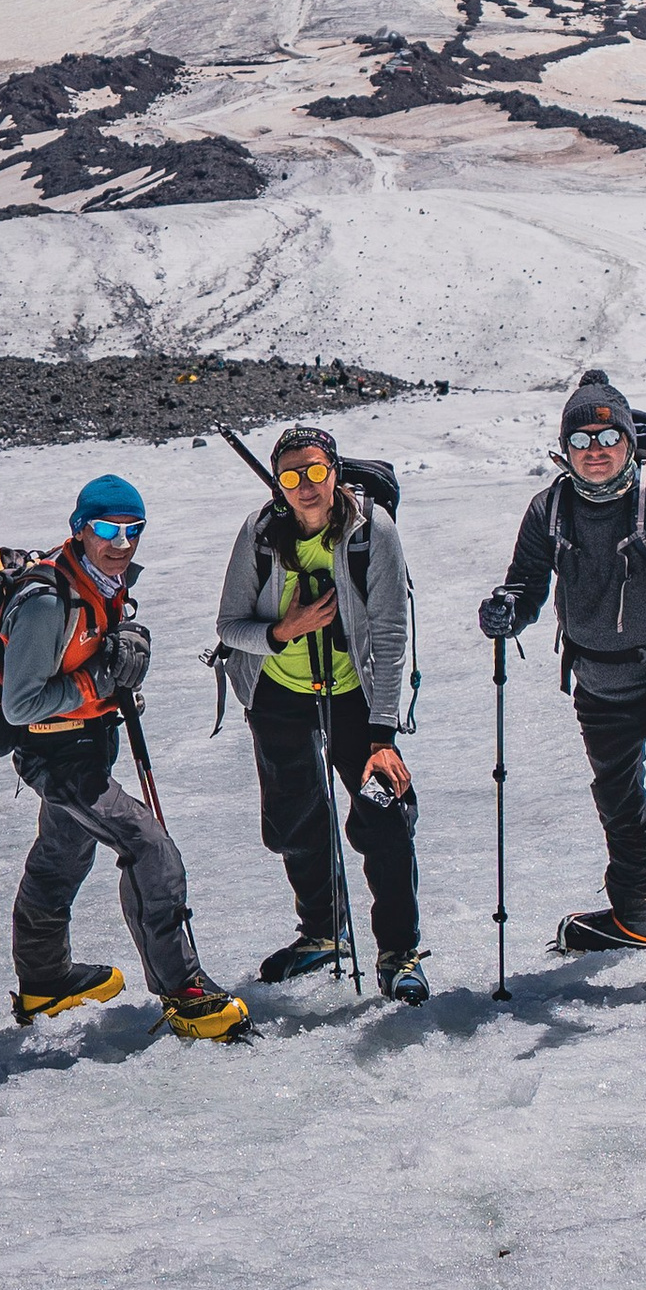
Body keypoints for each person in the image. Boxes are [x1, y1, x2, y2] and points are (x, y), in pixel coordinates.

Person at [479, 367, 646, 982]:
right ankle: (637, 908)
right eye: (582, 441)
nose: (595, 451)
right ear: (565, 449)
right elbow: (526, 585)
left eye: (608, 439)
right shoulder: (550, 509)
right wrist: (507, 609)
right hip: (599, 683)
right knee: (618, 802)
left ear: (629, 444)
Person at [0, 473, 249, 1035]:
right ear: (80, 529)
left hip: (86, 745)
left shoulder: (101, 582)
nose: (122, 542)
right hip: (58, 757)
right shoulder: (47, 602)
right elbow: (20, 704)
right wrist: (99, 681)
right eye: (107, 529)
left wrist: (114, 681)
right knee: (149, 849)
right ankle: (184, 992)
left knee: (61, 856)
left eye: (133, 530)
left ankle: (44, 981)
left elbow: (89, 661)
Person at [214, 425, 428, 1006]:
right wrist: (284, 631)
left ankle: (399, 952)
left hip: (354, 696)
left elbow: (390, 632)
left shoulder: (372, 532)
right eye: (291, 476)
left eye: (315, 471)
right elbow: (230, 626)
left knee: (385, 815)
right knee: (295, 820)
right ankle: (324, 932)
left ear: (335, 471)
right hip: (279, 694)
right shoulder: (261, 533)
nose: (305, 486)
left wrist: (383, 735)